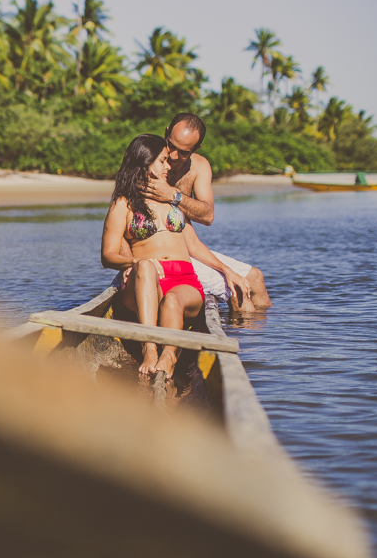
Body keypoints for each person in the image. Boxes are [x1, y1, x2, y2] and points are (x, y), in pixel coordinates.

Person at [102, 134, 252, 377]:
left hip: (184, 281)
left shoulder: (173, 202)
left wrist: (227, 270)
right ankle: (149, 349)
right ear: (145, 163)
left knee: (173, 301)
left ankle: (169, 356)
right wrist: (135, 262)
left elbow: (194, 245)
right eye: (162, 161)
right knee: (147, 268)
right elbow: (107, 256)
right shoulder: (123, 204)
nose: (168, 166)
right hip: (145, 282)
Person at [136, 112, 271, 310]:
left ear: (196, 148)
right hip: (158, 254)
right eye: (170, 146)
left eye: (183, 152)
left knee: (255, 277)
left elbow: (207, 216)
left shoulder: (199, 166)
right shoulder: (147, 160)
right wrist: (130, 265)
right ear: (166, 133)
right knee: (238, 290)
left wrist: (174, 195)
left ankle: (268, 338)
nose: (173, 157)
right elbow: (122, 216)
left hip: (188, 246)